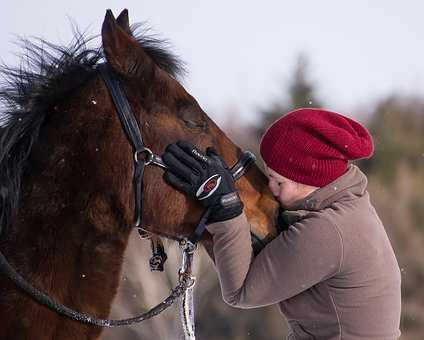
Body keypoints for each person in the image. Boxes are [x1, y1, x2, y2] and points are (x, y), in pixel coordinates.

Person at [162, 108, 401, 340]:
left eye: (278, 181)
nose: (271, 190)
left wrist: (225, 208)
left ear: (308, 178)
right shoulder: (349, 208)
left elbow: (242, 291)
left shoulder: (328, 231)